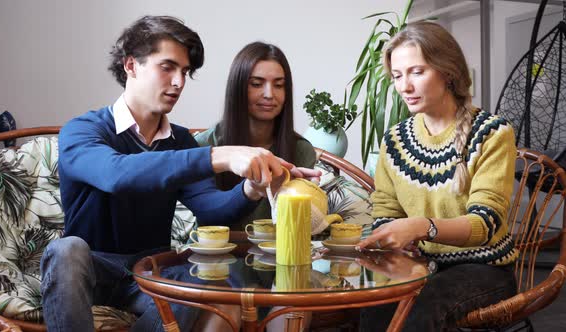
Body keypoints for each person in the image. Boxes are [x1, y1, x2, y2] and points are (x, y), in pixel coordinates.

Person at [40, 16, 310, 332]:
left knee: (216, 279)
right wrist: (218, 155)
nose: (179, 82)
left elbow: (213, 210)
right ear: (131, 65)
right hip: (92, 269)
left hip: (151, 273)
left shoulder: (180, 140)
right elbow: (117, 174)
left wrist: (253, 187)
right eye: (167, 67)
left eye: (185, 72)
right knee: (66, 249)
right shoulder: (82, 131)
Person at [355, 21, 519, 331]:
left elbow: (485, 224)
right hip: (419, 265)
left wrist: (421, 227)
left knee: (425, 305)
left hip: (484, 268)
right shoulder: (394, 140)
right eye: (397, 76)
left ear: (447, 71)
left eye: (417, 72)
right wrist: (392, 239)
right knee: (375, 304)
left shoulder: (492, 133)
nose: (405, 87)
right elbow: (385, 211)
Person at [195, 41, 318, 230]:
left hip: (279, 254)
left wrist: (308, 201)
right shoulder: (205, 146)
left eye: (279, 85)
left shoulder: (301, 149)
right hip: (216, 255)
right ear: (238, 88)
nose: (269, 94)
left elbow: (302, 228)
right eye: (256, 84)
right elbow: (205, 218)